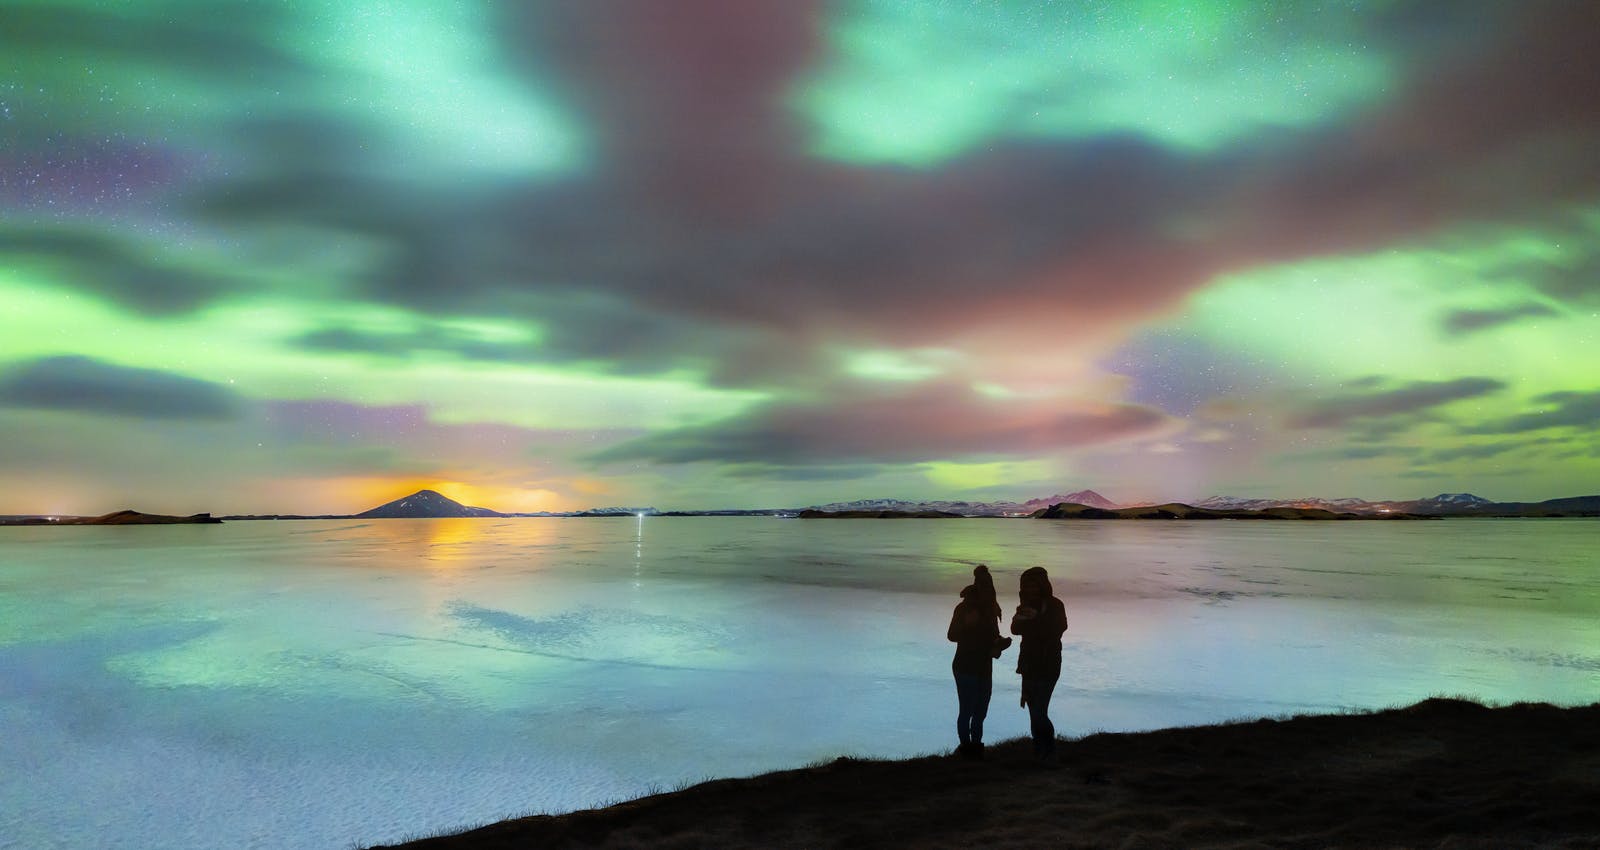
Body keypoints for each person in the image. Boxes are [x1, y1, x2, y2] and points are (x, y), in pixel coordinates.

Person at [947, 564, 1010, 759]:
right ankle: (967, 748)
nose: (987, 588)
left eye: (989, 584)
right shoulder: (964, 607)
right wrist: (967, 625)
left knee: (981, 711)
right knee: (966, 709)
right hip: (965, 666)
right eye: (983, 583)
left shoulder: (992, 608)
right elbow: (951, 635)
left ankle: (976, 747)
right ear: (976, 583)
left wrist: (1000, 644)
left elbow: (992, 637)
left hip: (984, 666)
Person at [1010, 566, 1068, 764]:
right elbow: (1015, 628)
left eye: (1034, 585)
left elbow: (1059, 628)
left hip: (1049, 664)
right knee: (1032, 707)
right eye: (1027, 586)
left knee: (1039, 710)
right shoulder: (1025, 605)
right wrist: (1023, 617)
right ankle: (1039, 749)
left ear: (1043, 585)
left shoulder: (1055, 605)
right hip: (1028, 664)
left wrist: (1035, 620)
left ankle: (1049, 749)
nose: (1031, 589)